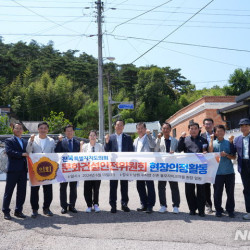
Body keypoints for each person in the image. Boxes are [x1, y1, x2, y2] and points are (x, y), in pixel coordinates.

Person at [178, 122, 208, 217]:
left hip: (200, 169)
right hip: (189, 169)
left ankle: (201, 210)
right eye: (191, 128)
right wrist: (181, 139)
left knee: (201, 190)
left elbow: (207, 152)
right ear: (189, 130)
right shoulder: (185, 140)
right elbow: (179, 149)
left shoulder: (203, 140)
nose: (193, 130)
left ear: (199, 129)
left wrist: (205, 153)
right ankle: (192, 209)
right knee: (189, 190)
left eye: (195, 128)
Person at [26, 121, 55, 218]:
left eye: (45, 128)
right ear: (38, 129)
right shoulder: (33, 139)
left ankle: (46, 208)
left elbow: (54, 154)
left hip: (48, 169)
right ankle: (34, 210)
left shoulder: (51, 141)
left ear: (47, 130)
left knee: (48, 190)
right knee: (34, 190)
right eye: (41, 128)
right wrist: (30, 141)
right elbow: (28, 151)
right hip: (35, 169)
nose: (43, 130)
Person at [104, 119, 134, 213]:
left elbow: (131, 151)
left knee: (124, 185)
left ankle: (124, 204)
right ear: (115, 127)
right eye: (117, 125)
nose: (119, 126)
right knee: (113, 186)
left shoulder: (128, 138)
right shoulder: (111, 137)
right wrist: (107, 142)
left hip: (124, 165)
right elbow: (106, 150)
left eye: (121, 125)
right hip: (114, 165)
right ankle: (113, 205)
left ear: (123, 127)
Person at [2, 123, 28, 220]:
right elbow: (9, 152)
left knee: (22, 192)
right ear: (13, 130)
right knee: (9, 191)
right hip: (13, 170)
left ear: (23, 130)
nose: (18, 130)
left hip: (23, 170)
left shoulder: (25, 141)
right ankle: (6, 211)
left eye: (20, 128)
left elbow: (29, 153)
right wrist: (22, 154)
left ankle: (18, 211)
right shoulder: (9, 140)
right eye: (16, 128)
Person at [209, 125, 236, 218]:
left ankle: (230, 210)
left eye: (222, 131)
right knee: (217, 193)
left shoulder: (229, 143)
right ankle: (218, 210)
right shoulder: (213, 143)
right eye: (218, 131)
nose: (220, 133)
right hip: (217, 173)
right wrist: (211, 140)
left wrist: (226, 155)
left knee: (230, 193)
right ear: (215, 133)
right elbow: (210, 153)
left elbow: (234, 156)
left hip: (229, 173)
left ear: (224, 132)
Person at [154, 122, 180, 214]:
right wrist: (158, 139)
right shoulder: (158, 140)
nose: (165, 130)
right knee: (161, 187)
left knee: (174, 187)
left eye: (167, 128)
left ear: (170, 130)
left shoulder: (175, 141)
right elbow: (155, 151)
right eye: (163, 128)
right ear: (162, 130)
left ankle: (176, 206)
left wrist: (175, 153)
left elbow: (179, 152)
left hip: (172, 167)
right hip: (162, 167)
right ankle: (163, 205)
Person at [55, 125, 80, 214]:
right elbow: (56, 152)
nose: (69, 132)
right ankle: (64, 206)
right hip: (63, 169)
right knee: (63, 188)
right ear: (65, 132)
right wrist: (59, 141)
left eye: (71, 130)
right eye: (67, 131)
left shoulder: (77, 143)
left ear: (73, 131)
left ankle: (72, 205)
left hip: (74, 169)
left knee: (73, 188)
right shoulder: (62, 142)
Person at [134, 122, 156, 213]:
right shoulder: (135, 140)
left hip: (147, 166)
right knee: (140, 186)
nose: (140, 130)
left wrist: (149, 135)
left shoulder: (149, 137)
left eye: (141, 128)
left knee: (150, 185)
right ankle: (144, 204)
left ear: (145, 129)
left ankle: (150, 205)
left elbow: (153, 146)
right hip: (138, 167)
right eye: (138, 128)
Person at [81, 130, 104, 213]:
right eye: (91, 135)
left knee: (96, 189)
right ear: (88, 137)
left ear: (96, 136)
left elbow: (104, 157)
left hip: (97, 171)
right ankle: (89, 205)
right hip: (87, 172)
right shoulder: (85, 146)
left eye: (94, 135)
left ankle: (96, 204)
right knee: (87, 189)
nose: (92, 137)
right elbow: (81, 157)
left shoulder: (100, 146)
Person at [233, 118, 250, 220]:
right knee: (247, 190)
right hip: (243, 166)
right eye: (242, 126)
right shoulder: (237, 139)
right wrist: (230, 143)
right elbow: (232, 152)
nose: (244, 128)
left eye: (246, 126)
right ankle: (249, 211)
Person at [201, 118, 215, 214]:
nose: (208, 125)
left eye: (210, 124)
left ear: (213, 124)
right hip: (205, 164)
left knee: (218, 186)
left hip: (217, 163)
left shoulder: (218, 133)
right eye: (206, 124)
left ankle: (219, 206)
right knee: (206, 186)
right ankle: (208, 205)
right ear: (204, 125)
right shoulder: (201, 136)